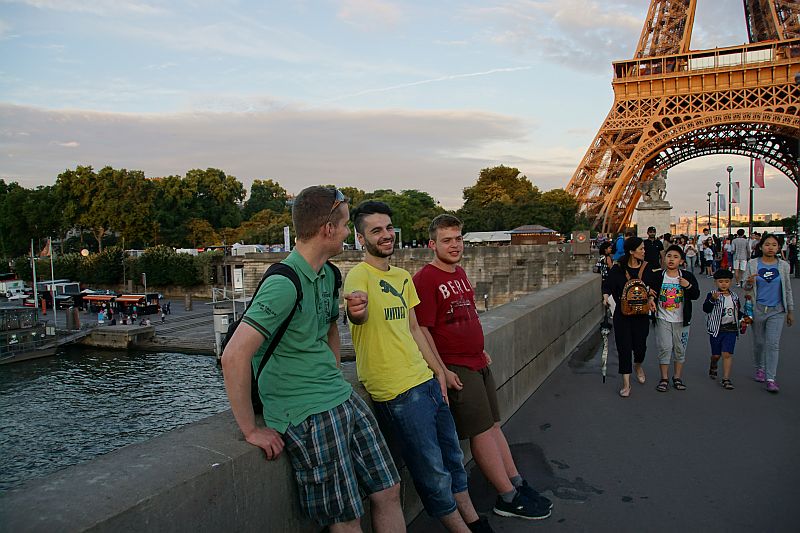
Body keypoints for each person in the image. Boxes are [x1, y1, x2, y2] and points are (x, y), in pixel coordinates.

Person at [221, 187, 404, 532]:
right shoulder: (283, 282)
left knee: (389, 489)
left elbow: (328, 330)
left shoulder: (328, 275)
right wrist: (250, 430)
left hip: (339, 397)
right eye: (347, 224)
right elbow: (233, 355)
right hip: (305, 412)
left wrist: (334, 368)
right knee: (346, 518)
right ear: (328, 229)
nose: (350, 232)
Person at [344, 201, 493, 532]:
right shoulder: (358, 275)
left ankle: (472, 520)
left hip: (425, 381)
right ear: (359, 238)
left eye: (388, 228)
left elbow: (414, 329)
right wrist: (356, 310)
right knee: (432, 470)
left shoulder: (402, 277)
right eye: (375, 230)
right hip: (397, 391)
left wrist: (438, 372)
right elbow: (358, 310)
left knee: (453, 459)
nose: (385, 236)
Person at [413, 214, 552, 522]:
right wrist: (441, 370)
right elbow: (421, 330)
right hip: (456, 367)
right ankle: (507, 496)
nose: (454, 245)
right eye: (446, 240)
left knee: (493, 427)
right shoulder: (425, 279)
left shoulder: (459, 272)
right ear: (432, 244)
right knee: (480, 433)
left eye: (458, 238)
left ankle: (516, 482)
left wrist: (480, 349)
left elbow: (465, 317)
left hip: (476, 360)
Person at [602, 237, 659, 397]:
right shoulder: (618, 268)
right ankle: (626, 384)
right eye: (641, 249)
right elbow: (607, 284)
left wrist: (651, 299)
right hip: (623, 314)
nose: (644, 251)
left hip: (641, 315)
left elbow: (653, 287)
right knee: (624, 348)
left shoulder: (648, 268)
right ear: (631, 252)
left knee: (640, 348)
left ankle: (638, 365)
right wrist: (605, 296)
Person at [743, 233, 795, 393]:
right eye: (767, 244)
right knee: (759, 343)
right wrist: (749, 283)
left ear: (779, 247)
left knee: (773, 344)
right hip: (757, 308)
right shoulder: (752, 264)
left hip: (777, 310)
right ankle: (760, 367)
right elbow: (745, 287)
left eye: (774, 245)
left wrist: (790, 311)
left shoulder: (784, 266)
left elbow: (787, 289)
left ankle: (770, 378)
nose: (770, 247)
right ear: (761, 246)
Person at [650, 245, 700, 392]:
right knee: (665, 348)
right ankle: (664, 378)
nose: (671, 259)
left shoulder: (687, 276)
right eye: (669, 256)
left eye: (675, 257)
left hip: (682, 320)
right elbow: (651, 292)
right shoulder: (658, 276)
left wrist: (688, 285)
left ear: (682, 261)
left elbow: (696, 295)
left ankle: (677, 377)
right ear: (664, 258)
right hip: (662, 318)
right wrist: (650, 299)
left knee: (680, 350)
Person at [702, 269, 741, 390]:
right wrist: (712, 299)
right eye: (720, 281)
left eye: (726, 281)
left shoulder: (734, 296)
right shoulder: (712, 294)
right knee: (716, 355)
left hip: (731, 329)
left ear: (731, 282)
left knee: (727, 354)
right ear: (715, 282)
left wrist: (744, 318)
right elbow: (706, 309)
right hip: (716, 329)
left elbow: (737, 312)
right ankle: (713, 363)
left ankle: (726, 378)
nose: (723, 284)